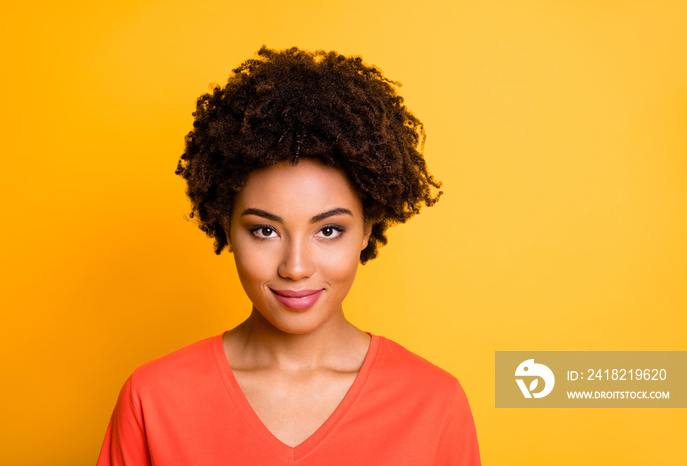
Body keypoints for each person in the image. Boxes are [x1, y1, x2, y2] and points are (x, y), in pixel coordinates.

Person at [96, 45, 481, 465]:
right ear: (226, 225)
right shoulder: (153, 399)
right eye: (264, 230)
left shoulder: (434, 403)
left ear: (368, 228)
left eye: (329, 231)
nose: (295, 267)